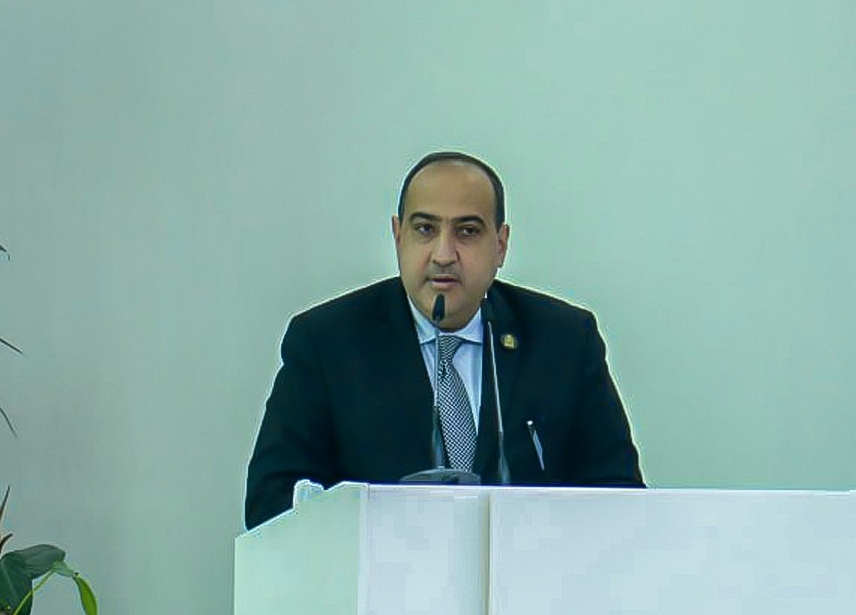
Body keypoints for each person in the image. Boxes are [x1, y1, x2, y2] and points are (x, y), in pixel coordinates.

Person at [243, 151, 643, 529]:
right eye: (425, 229)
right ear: (398, 236)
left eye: (467, 232)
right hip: (382, 577)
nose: (443, 254)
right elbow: (271, 504)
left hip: (532, 575)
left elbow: (620, 497)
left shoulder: (564, 341)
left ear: (500, 245)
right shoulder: (328, 343)